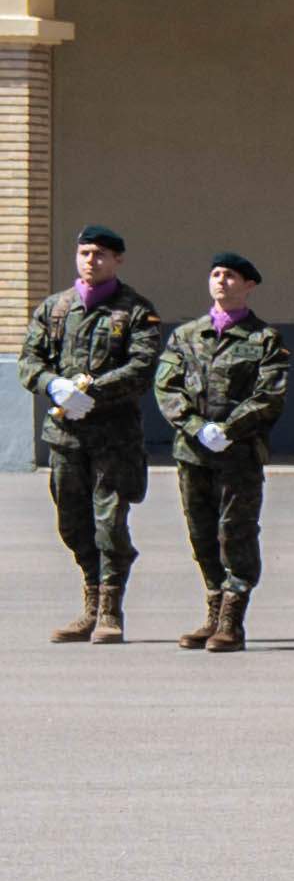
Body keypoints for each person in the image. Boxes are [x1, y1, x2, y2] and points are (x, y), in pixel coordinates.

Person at [27, 227, 156, 647]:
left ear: (117, 260)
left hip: (113, 440)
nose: (90, 260)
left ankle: (109, 610)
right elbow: (30, 359)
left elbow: (141, 367)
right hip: (66, 437)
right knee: (72, 523)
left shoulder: (135, 311)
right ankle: (90, 598)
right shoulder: (56, 308)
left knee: (109, 523)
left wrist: (90, 390)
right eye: (84, 252)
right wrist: (52, 385)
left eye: (100, 254)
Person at [152, 256, 284, 651]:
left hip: (239, 455)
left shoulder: (264, 339)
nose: (221, 281)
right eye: (215, 275)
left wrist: (228, 430)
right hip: (193, 454)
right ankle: (213, 607)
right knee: (201, 533)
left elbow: (270, 395)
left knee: (236, 533)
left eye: (230, 276)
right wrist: (196, 427)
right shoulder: (187, 335)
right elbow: (166, 387)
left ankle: (232, 619)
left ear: (248, 286)